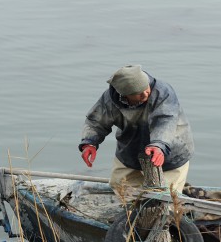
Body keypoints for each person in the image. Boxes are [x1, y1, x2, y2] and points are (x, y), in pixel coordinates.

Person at [78, 65, 195, 197]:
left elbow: (164, 121)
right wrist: (90, 142)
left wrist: (159, 145)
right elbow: (96, 121)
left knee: (165, 198)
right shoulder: (109, 99)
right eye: (138, 93)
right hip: (130, 149)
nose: (146, 93)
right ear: (124, 95)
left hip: (171, 150)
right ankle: (132, 213)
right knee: (122, 188)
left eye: (146, 88)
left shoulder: (163, 92)